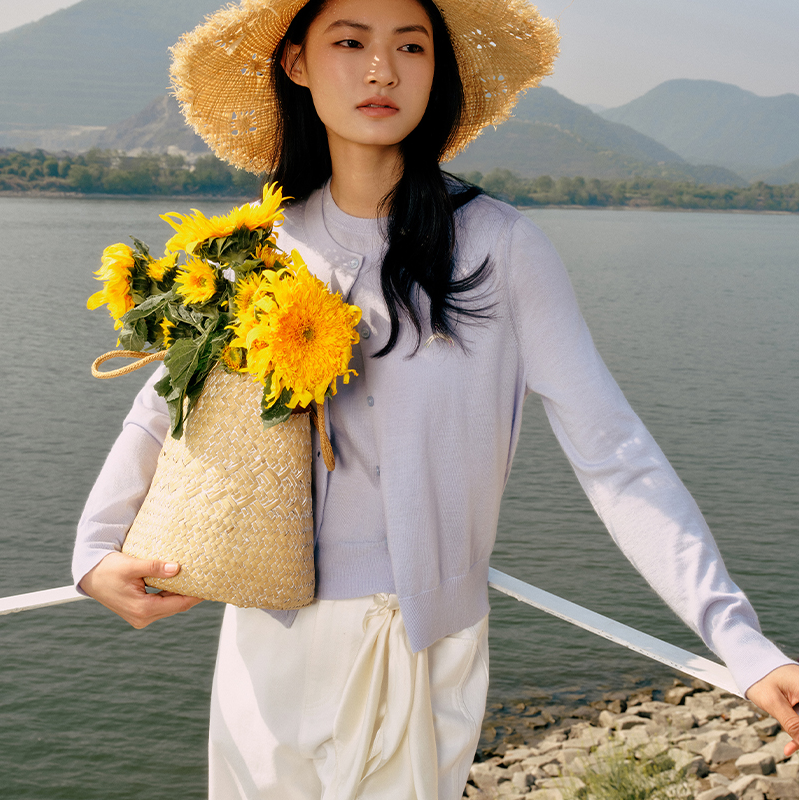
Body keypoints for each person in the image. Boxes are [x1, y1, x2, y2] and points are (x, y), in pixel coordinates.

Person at [73, 0, 799, 797]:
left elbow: (615, 455)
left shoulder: (500, 246)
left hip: (425, 651)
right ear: (297, 63)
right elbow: (165, 403)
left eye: (410, 47)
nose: (382, 68)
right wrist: (94, 552)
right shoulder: (256, 247)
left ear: (436, 72)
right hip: (268, 647)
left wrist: (742, 642)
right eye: (350, 42)